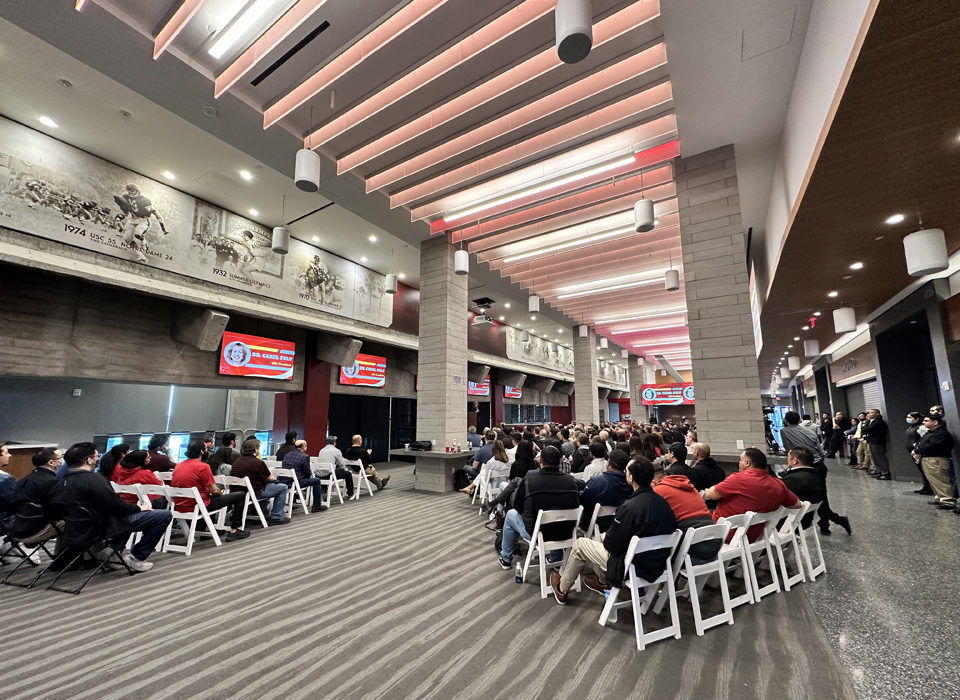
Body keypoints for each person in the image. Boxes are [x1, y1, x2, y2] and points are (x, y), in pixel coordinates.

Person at [550, 457, 677, 604]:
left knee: (580, 544)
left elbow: (613, 546)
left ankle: (561, 589)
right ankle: (603, 581)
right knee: (600, 538)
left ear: (630, 477)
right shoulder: (663, 503)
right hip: (656, 562)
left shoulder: (630, 507)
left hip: (631, 565)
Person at [49, 442, 172, 572]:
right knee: (163, 515)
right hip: (102, 527)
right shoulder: (95, 480)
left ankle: (112, 551)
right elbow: (117, 506)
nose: (98, 459)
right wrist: (139, 508)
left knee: (125, 515)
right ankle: (136, 557)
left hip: (74, 529)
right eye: (96, 456)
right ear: (89, 460)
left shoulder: (59, 483)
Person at [497, 446, 578, 569]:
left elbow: (518, 507)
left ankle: (506, 559)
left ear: (540, 461)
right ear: (560, 462)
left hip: (537, 532)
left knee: (511, 514)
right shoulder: (571, 481)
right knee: (556, 515)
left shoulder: (529, 480)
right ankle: (555, 558)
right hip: (566, 532)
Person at [704, 448, 801, 541]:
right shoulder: (778, 484)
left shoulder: (738, 479)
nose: (739, 463)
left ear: (747, 463)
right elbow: (797, 504)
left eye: (740, 460)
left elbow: (711, 494)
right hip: (753, 535)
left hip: (726, 532)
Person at [171, 439, 249, 540]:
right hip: (198, 505)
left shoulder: (179, 465)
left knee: (211, 497)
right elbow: (214, 490)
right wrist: (219, 492)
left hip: (180, 505)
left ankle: (208, 529)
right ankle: (234, 530)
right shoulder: (203, 467)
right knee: (240, 495)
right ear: (202, 452)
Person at [652, 465, 721, 562]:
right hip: (714, 542)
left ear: (653, 482)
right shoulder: (690, 487)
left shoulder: (658, 491)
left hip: (693, 548)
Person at [780, 447, 851, 534]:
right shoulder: (817, 477)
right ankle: (835, 522)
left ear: (795, 460)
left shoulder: (791, 480)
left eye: (788, 458)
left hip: (789, 523)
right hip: (806, 521)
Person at [5, 447, 65, 548]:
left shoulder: (24, 480)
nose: (62, 460)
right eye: (61, 457)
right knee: (73, 524)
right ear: (51, 462)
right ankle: (65, 559)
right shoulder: (52, 482)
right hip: (34, 530)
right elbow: (57, 510)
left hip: (17, 528)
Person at [229, 438, 290, 524]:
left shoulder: (237, 461)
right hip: (254, 492)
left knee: (265, 486)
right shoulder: (258, 463)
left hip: (238, 492)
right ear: (255, 450)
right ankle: (276, 516)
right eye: (258, 448)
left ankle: (259, 512)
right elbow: (270, 478)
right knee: (283, 487)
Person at [578, 448, 632, 534]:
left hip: (596, 525)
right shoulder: (631, 485)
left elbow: (584, 502)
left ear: (608, 462)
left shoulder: (597, 481)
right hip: (622, 525)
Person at [911, 414, 956, 510]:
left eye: (926, 420)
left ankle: (947, 500)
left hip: (936, 459)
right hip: (927, 459)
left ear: (935, 422)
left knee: (940, 480)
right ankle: (939, 497)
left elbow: (931, 446)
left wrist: (917, 451)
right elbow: (921, 443)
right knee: (933, 480)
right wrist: (916, 450)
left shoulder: (941, 434)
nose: (923, 422)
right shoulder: (930, 433)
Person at [281, 439, 327, 512]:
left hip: (285, 481)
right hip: (296, 482)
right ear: (304, 447)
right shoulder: (305, 456)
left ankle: (293, 502)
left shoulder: (287, 455)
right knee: (316, 481)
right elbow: (307, 473)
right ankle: (316, 506)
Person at [905, 412, 932, 495]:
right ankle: (926, 487)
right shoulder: (911, 427)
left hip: (919, 452)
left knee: (925, 470)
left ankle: (929, 488)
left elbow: (924, 440)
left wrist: (917, 449)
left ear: (917, 419)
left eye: (910, 417)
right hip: (913, 452)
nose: (908, 419)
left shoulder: (921, 428)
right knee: (921, 470)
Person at [862, 408, 890, 479]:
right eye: (869, 413)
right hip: (871, 441)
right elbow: (865, 429)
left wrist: (865, 427)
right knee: (874, 457)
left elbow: (868, 429)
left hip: (877, 442)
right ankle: (879, 471)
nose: (869, 414)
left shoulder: (879, 422)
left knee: (880, 457)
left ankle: (885, 472)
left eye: (872, 413)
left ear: (877, 414)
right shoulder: (870, 421)